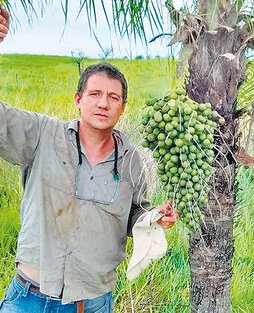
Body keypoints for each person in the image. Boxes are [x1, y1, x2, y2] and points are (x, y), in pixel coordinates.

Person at [0, 8, 178, 313]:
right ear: (78, 99)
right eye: (95, 93)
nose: (103, 103)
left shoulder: (133, 161)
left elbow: (133, 213)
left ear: (123, 107)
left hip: (91, 304)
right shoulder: (43, 135)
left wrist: (152, 218)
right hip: (28, 299)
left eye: (113, 97)